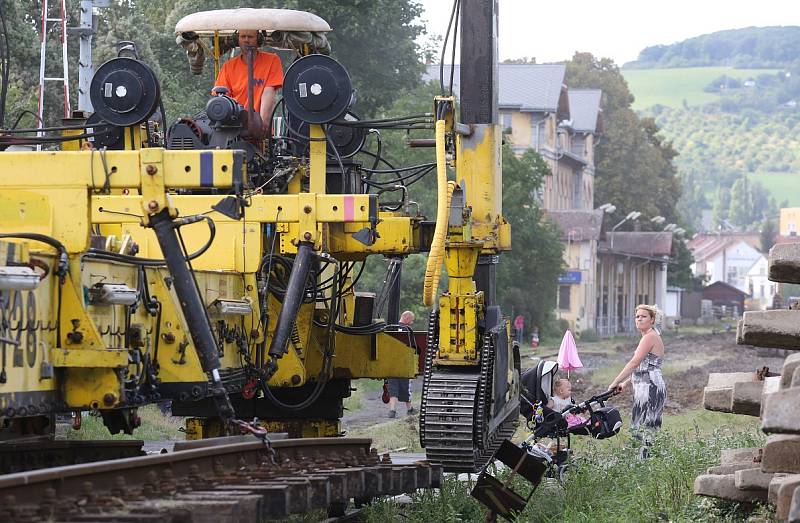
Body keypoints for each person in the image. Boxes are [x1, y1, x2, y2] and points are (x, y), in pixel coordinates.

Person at [608, 304, 667, 455]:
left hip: (651, 386)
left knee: (647, 427)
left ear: (652, 319)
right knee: (638, 425)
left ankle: (645, 464)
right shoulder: (646, 336)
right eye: (637, 316)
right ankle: (639, 462)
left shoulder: (650, 337)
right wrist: (625, 383)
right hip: (643, 385)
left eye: (644, 316)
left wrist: (614, 382)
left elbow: (634, 362)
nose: (639, 319)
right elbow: (642, 367)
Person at [212, 29, 283, 133]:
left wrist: (262, 123)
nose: (246, 40)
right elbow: (222, 99)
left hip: (259, 128)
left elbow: (269, 92)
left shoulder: (272, 61)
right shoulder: (228, 67)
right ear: (237, 39)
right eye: (243, 37)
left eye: (250, 37)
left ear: (258, 39)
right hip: (235, 128)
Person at [388, 310, 416, 418]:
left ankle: (392, 411)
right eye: (412, 320)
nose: (412, 323)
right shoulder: (408, 330)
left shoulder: (390, 329)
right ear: (407, 318)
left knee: (393, 387)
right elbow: (412, 347)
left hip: (391, 363)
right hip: (404, 364)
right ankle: (410, 409)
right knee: (406, 387)